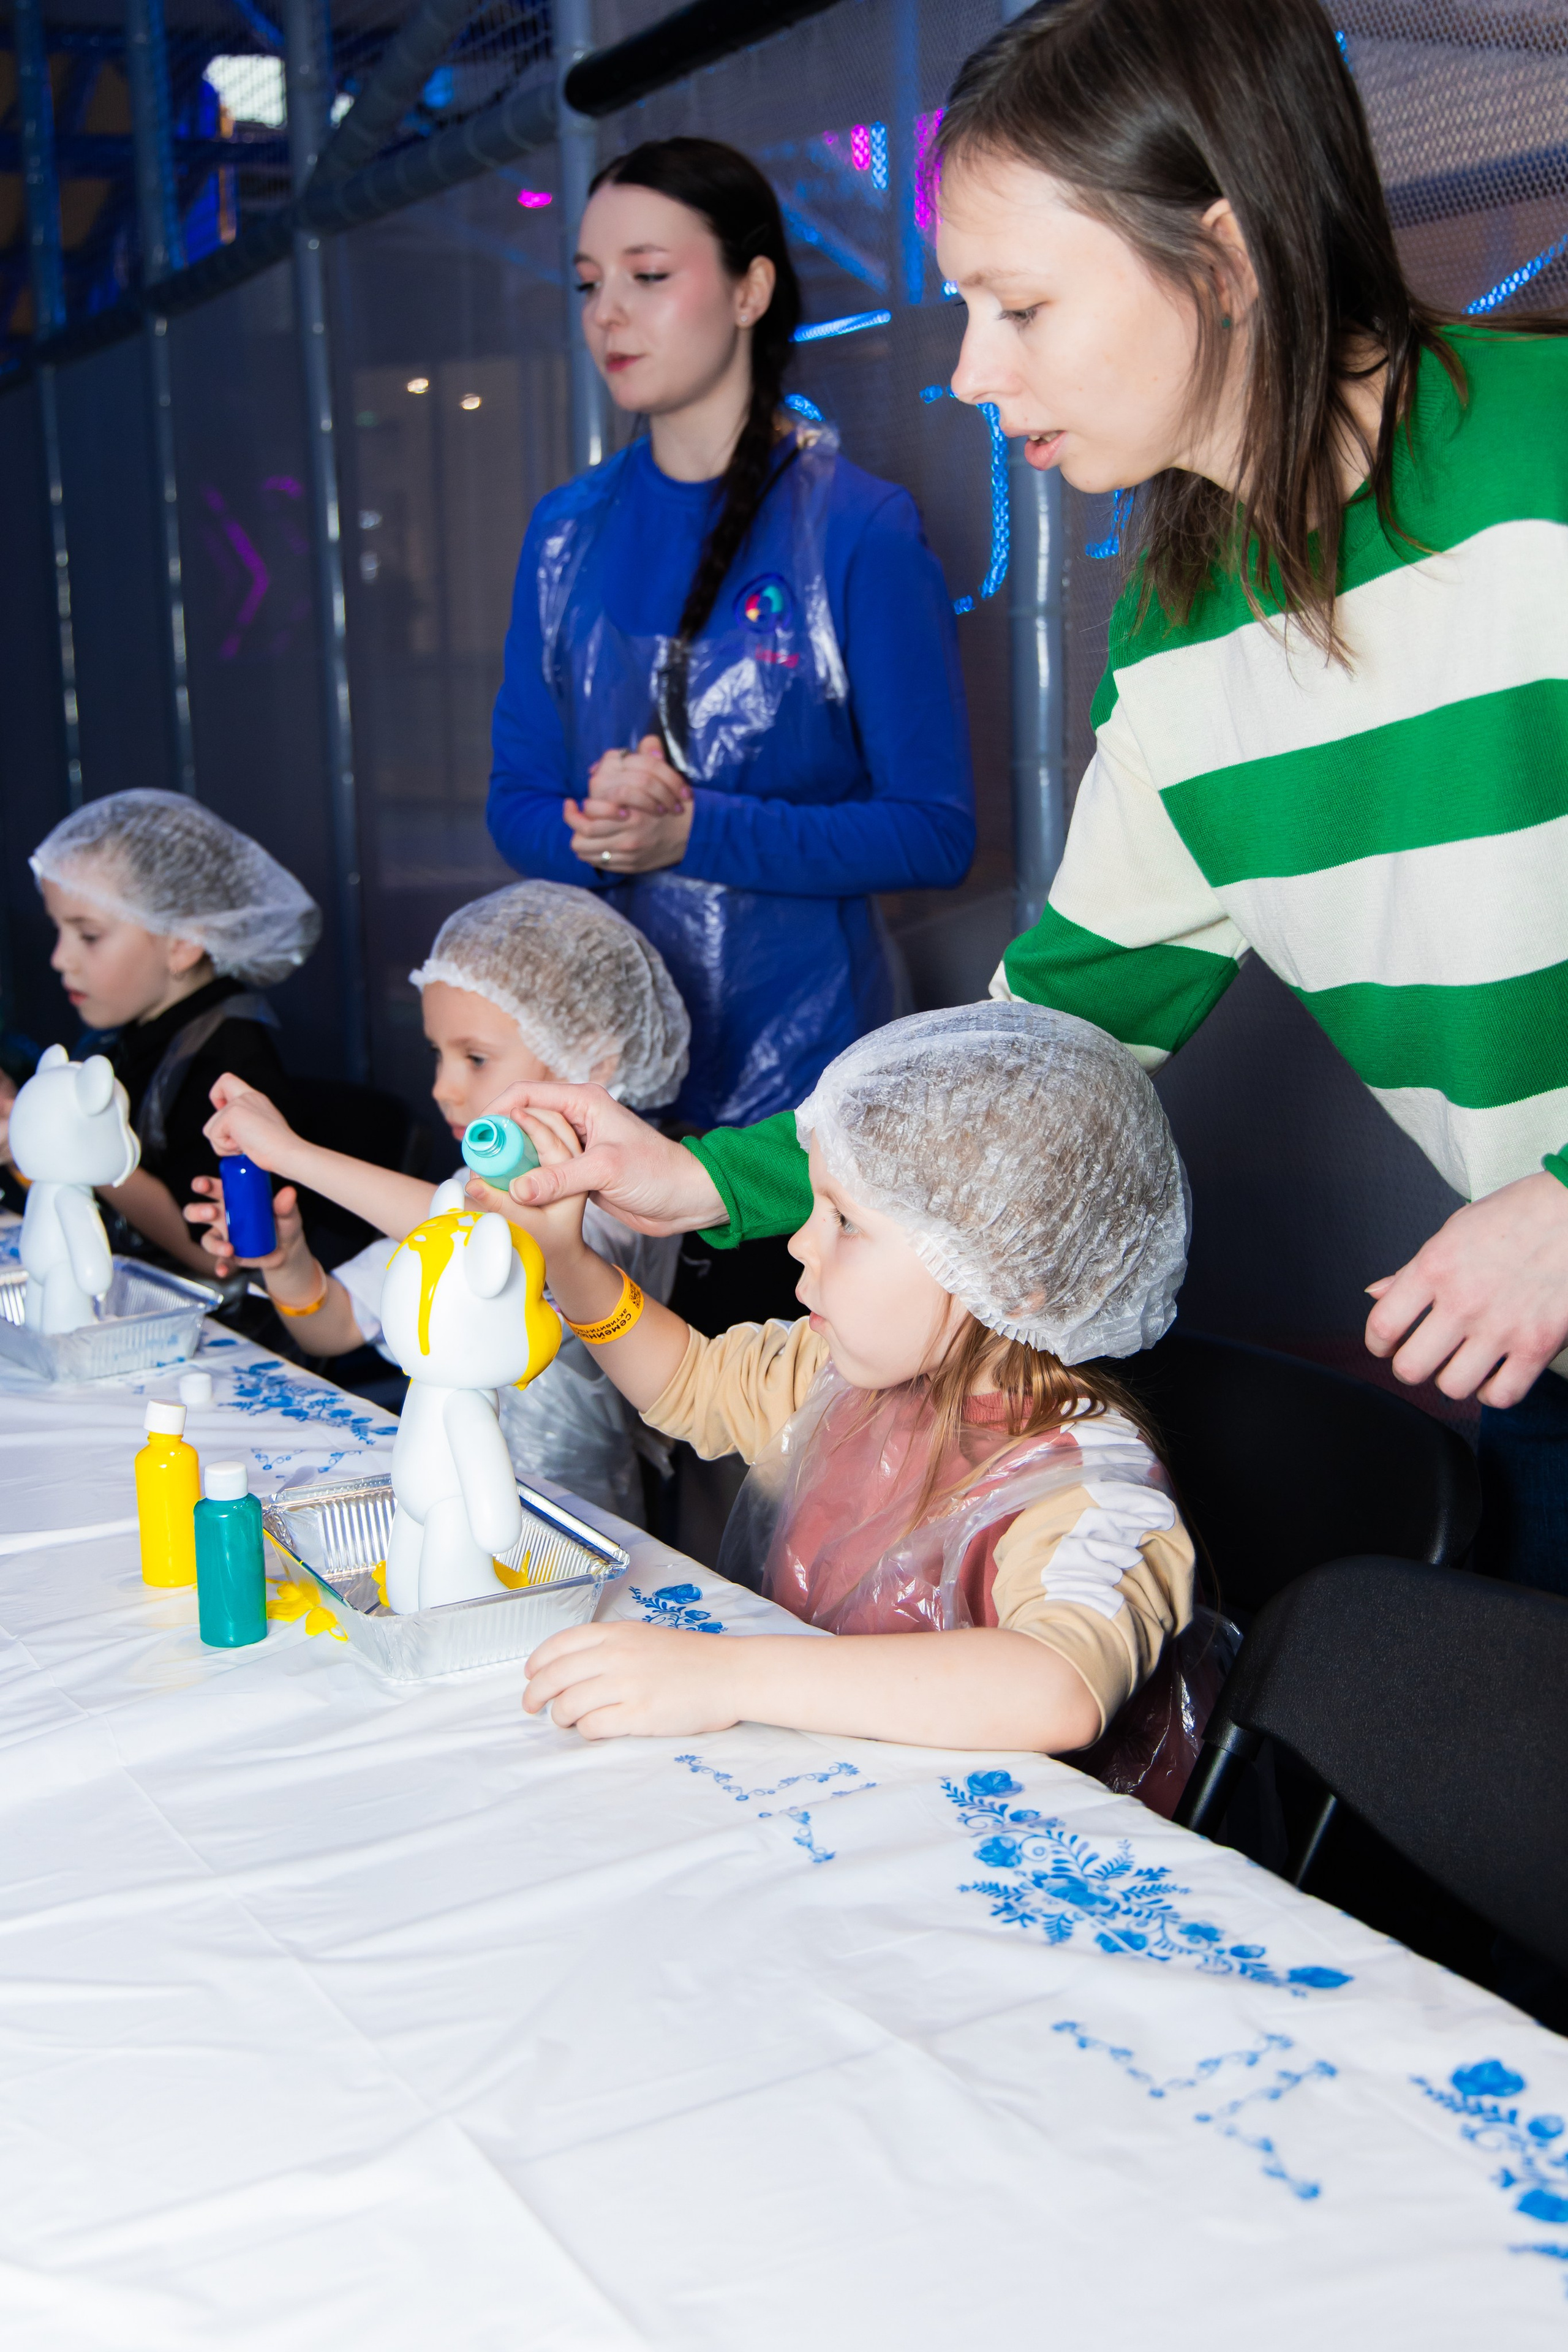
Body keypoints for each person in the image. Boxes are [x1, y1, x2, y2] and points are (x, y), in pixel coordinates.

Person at [483, 0, 1568, 1600]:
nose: (971, 371)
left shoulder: (1546, 460)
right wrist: (702, 1178)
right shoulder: (1179, 629)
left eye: (1023, 305)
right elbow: (1052, 1040)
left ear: (1222, 257)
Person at [487, 135, 976, 1325]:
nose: (608, 311)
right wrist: (600, 831)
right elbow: (513, 803)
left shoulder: (858, 528)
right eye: (589, 282)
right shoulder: (562, 534)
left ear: (751, 289)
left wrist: (695, 832)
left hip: (801, 1099)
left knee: (770, 1412)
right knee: (614, 1396)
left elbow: (934, 831)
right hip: (600, 1091)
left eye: (649, 275)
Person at [473, 1002, 1194, 1755]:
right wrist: (567, 1259)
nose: (798, 1243)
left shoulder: (1091, 1489)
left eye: (844, 1221)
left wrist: (723, 1676)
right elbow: (688, 1383)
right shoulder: (838, 1379)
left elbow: (1055, 1690)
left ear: (1014, 1277)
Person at [187, 881, 690, 1524]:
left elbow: (489, 1237)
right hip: (437, 1490)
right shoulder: (461, 1190)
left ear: (593, 1061)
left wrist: (292, 1155)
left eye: (475, 1058)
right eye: (438, 1053)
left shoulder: (614, 1201)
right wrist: (286, 1264)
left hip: (573, 1508)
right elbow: (334, 1327)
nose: (442, 1088)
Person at [28, 790, 318, 1277]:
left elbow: (222, 1257)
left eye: (89, 935)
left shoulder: (228, 1063)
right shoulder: (125, 1038)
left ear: (182, 942)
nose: (60, 958)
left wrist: (79, 1147)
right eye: (58, 931)